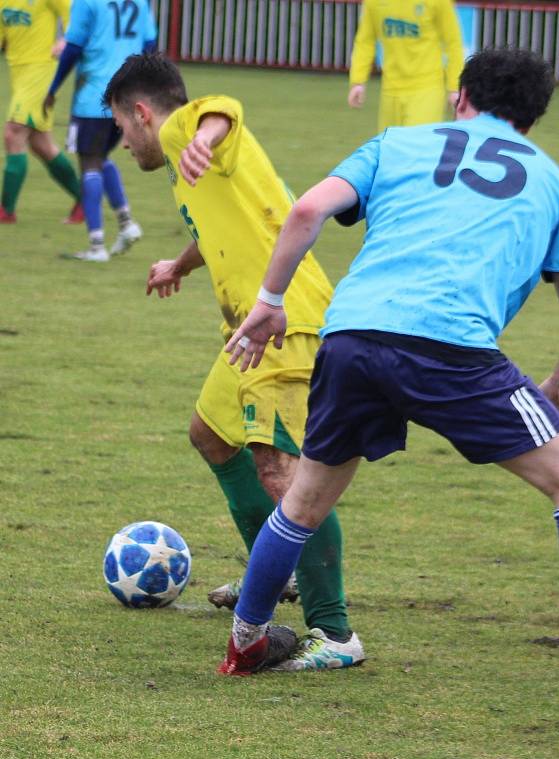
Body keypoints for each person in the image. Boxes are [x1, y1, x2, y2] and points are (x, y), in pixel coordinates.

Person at [222, 47, 559, 717]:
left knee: (304, 500)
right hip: (453, 352)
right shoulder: (557, 185)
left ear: (461, 98)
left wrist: (271, 298)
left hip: (353, 337)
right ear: (533, 120)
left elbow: (307, 209)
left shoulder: (396, 143)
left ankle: (246, 644)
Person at [103, 52, 365, 673]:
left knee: (281, 472)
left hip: (285, 323)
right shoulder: (192, 162)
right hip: (247, 329)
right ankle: (272, 578)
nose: (122, 140)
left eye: (120, 125)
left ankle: (336, 634)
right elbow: (223, 225)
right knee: (211, 437)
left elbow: (226, 108)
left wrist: (203, 133)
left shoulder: (183, 133)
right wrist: (179, 265)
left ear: (142, 112)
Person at [43, 0, 157, 262]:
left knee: (90, 163)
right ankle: (126, 224)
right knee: (102, 157)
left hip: (93, 94)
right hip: (126, 95)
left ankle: (96, 246)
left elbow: (72, 48)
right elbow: (150, 44)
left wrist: (53, 89)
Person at [0, 0, 82, 224]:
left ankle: (6, 211)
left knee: (13, 131)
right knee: (41, 145)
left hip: (42, 70)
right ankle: (84, 200)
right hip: (18, 73)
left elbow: (75, 15)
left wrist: (67, 40)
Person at [347, 0, 464, 130]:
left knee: (416, 146)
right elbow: (365, 41)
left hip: (427, 89)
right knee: (389, 148)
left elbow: (453, 43)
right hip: (390, 90)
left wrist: (454, 87)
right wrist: (358, 81)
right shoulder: (373, 3)